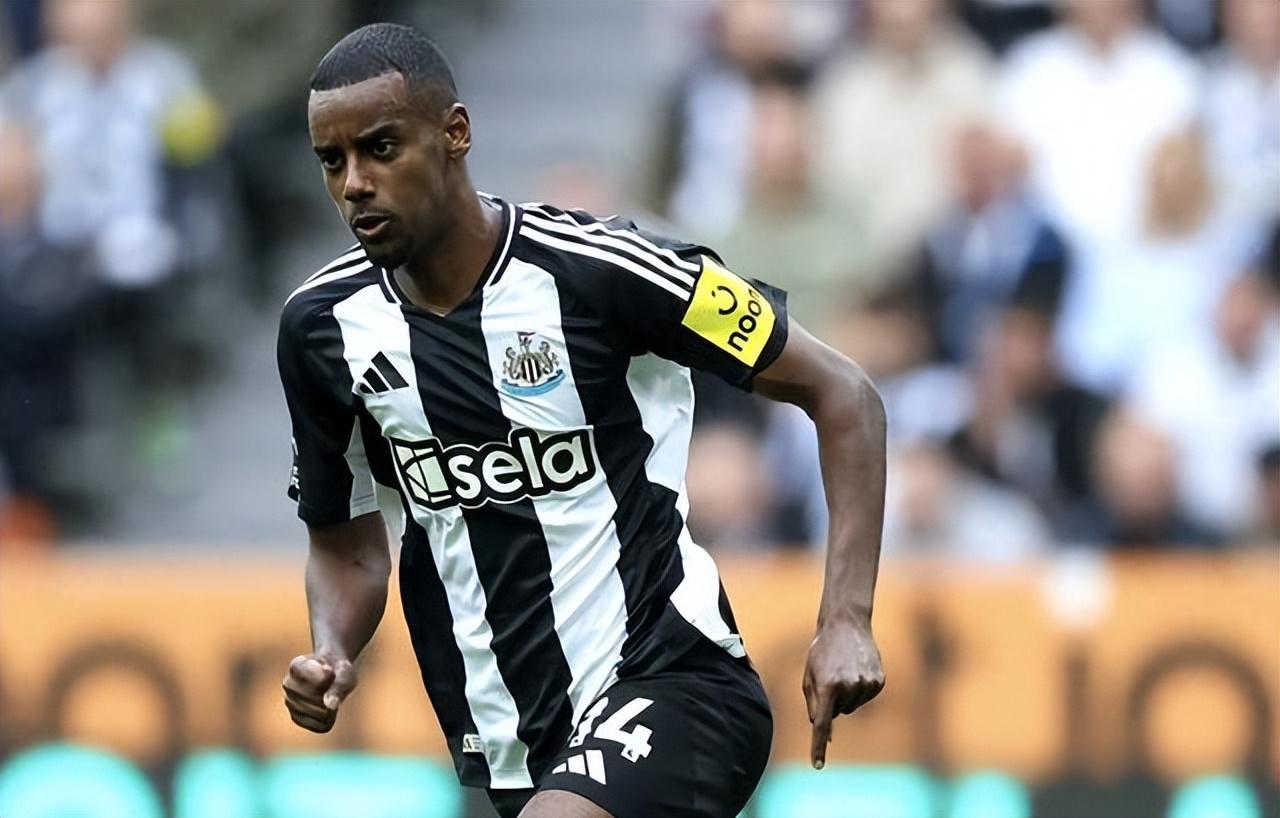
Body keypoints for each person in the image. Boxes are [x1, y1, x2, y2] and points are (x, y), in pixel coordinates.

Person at [276, 24, 887, 818]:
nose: (356, 182)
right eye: (333, 161)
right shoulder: (322, 329)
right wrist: (331, 648)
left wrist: (845, 619)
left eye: (381, 148)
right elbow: (347, 549)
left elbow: (844, 393)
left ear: (454, 134)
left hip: (675, 683)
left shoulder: (605, 272)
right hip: (515, 743)